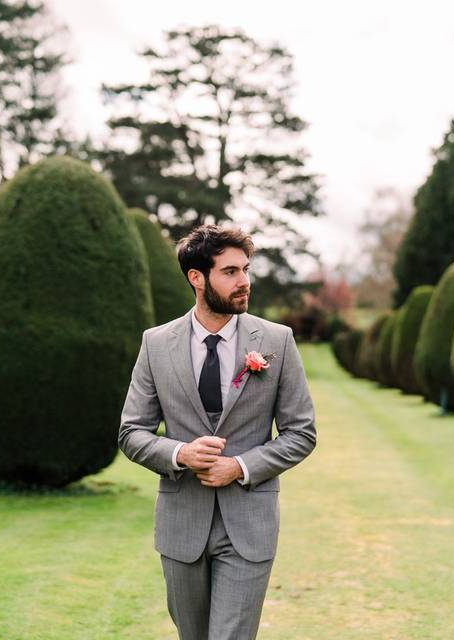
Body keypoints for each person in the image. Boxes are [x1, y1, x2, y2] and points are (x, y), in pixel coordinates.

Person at [118, 224, 317, 640]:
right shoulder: (156, 344)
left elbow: (301, 432)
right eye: (230, 271)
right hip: (181, 524)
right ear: (197, 278)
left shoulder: (277, 341)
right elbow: (132, 431)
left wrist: (241, 466)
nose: (244, 281)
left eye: (246, 269)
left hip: (249, 525)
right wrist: (180, 455)